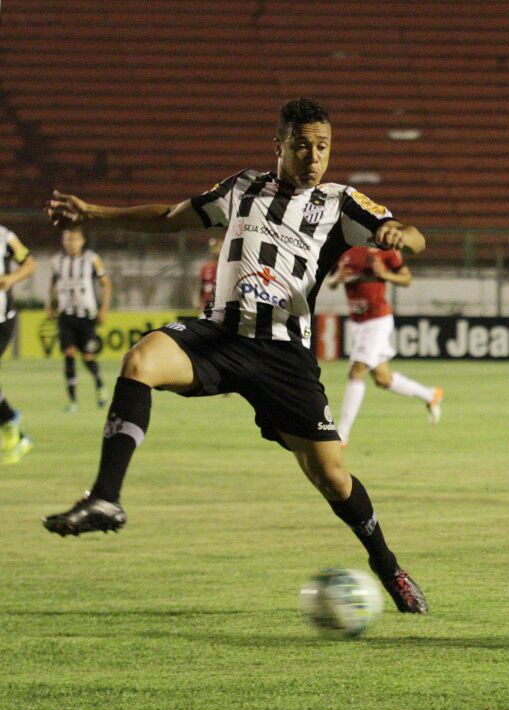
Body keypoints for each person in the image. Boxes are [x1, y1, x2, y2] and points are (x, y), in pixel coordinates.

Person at [41, 97, 429, 614]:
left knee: (333, 477)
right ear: (279, 146)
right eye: (302, 146)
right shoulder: (242, 186)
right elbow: (172, 217)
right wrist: (94, 213)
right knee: (140, 362)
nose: (314, 157)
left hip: (283, 355)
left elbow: (415, 237)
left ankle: (389, 569)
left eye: (323, 147)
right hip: (219, 335)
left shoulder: (341, 202)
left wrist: (402, 234)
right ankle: (105, 498)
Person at [329, 244, 444, 445]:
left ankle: (341, 435)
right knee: (383, 379)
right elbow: (331, 282)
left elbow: (407, 278)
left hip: (377, 321)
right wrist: (336, 279)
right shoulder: (343, 248)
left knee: (356, 372)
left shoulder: (384, 249)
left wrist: (385, 274)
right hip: (358, 322)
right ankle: (430, 395)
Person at [47, 226, 111, 411]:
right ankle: (73, 400)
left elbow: (106, 284)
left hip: (86, 315)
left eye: (74, 239)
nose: (71, 243)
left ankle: (99, 385)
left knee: (88, 356)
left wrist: (104, 308)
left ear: (82, 241)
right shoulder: (57, 261)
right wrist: (50, 303)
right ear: (63, 241)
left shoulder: (92, 259)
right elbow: (52, 283)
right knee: (68, 353)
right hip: (65, 314)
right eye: (67, 239)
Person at [0, 223, 36, 464]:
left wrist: (11, 278)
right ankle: (15, 431)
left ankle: (11, 421)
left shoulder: (5, 236)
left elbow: (30, 264)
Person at [197, 236, 221, 312]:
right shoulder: (206, 267)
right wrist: (199, 302)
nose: (215, 250)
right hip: (206, 306)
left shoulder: (228, 267)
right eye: (214, 247)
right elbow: (202, 287)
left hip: (221, 306)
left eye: (217, 247)